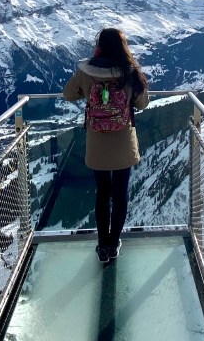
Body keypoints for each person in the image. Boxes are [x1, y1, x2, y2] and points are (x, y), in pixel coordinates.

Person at [63, 27, 150, 264]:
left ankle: (102, 246)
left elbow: (68, 94)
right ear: (123, 47)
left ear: (98, 45)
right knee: (120, 194)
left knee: (102, 194)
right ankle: (114, 244)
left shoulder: (86, 71)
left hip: (97, 142)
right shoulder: (130, 72)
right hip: (124, 142)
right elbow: (142, 104)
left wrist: (86, 88)